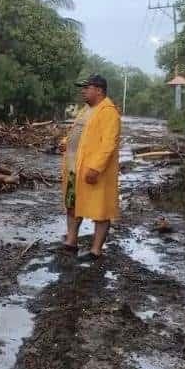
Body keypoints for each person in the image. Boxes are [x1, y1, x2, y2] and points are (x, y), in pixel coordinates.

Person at [62, 74, 121, 262]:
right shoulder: (86, 109)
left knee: (100, 210)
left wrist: (96, 168)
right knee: (72, 205)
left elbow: (108, 144)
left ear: (99, 90)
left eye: (87, 87)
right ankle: (71, 242)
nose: (83, 90)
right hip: (74, 168)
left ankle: (96, 250)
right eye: (83, 87)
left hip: (93, 171)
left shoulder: (108, 112)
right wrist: (65, 142)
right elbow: (78, 133)